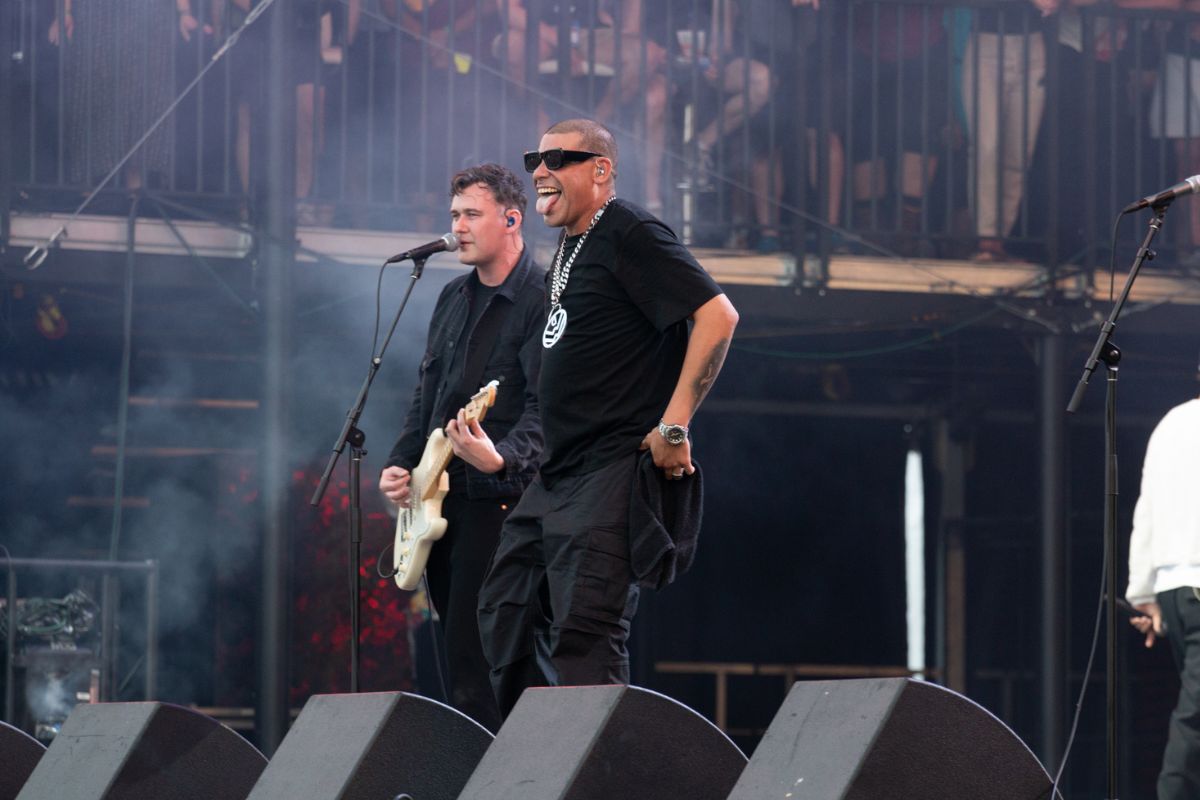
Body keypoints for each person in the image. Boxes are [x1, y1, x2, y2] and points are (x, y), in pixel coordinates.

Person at [476, 118, 739, 718]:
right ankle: (538, 753)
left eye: (559, 159)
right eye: (534, 158)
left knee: (586, 634)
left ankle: (595, 772)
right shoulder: (569, 245)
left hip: (612, 467)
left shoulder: (630, 230)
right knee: (503, 609)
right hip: (558, 472)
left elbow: (718, 317)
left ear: (601, 170)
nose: (540, 171)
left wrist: (674, 427)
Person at [378, 163, 545, 732]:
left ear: (512, 219)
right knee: (455, 659)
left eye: (472, 214)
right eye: (454, 215)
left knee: (492, 658)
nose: (458, 227)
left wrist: (503, 458)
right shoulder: (451, 296)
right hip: (444, 502)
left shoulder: (543, 300)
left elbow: (549, 408)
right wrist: (402, 464)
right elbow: (428, 394)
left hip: (506, 505)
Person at [1126, 392, 1200, 799]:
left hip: (1174, 588)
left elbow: (1147, 508)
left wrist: (1143, 592)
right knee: (1194, 721)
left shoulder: (1171, 421)